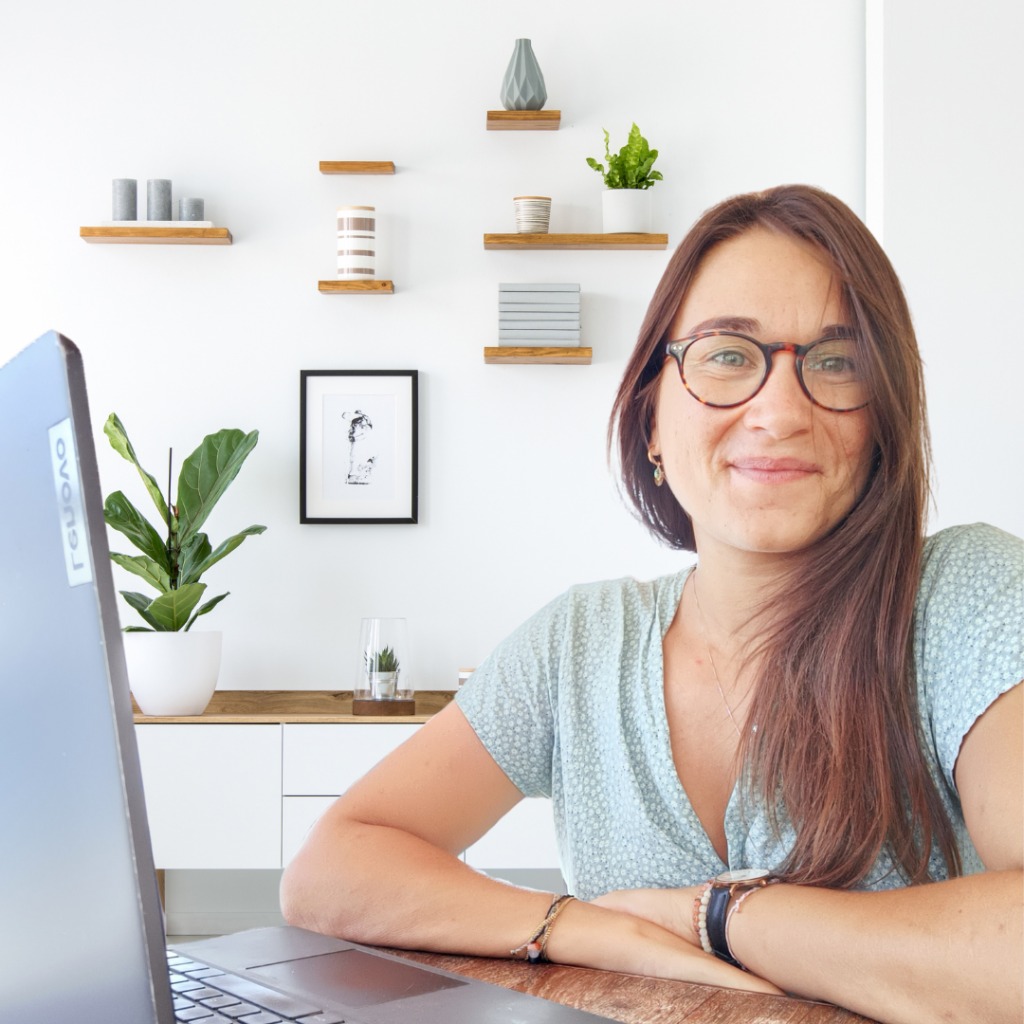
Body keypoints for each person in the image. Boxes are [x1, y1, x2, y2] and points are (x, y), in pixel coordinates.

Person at [280, 185, 1023, 1024]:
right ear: (651, 425)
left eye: (836, 362)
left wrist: (720, 919)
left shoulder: (968, 597)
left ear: (882, 422)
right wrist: (578, 929)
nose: (779, 411)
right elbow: (331, 868)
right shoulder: (581, 641)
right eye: (726, 355)